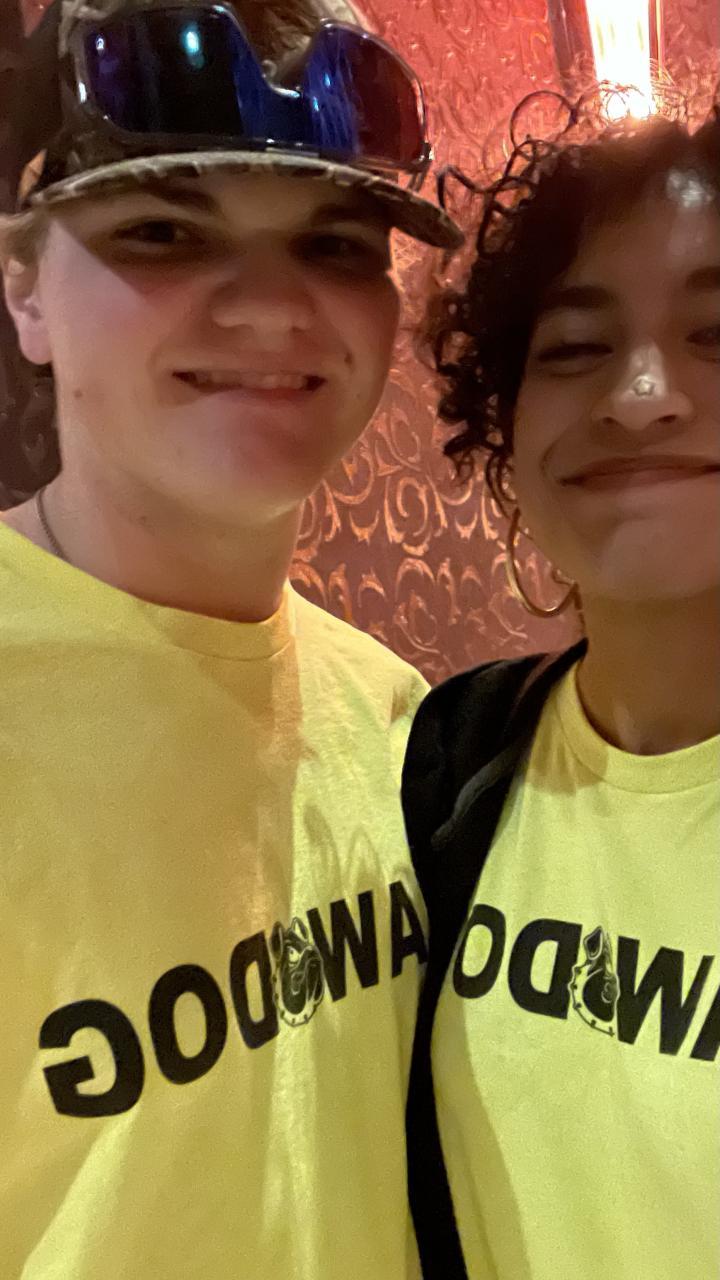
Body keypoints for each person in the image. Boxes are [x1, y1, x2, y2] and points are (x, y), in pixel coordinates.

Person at [0, 0, 462, 1275]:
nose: (270, 310)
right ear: (23, 286)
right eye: (163, 229)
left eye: (334, 241)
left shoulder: (400, 720)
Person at [402, 90, 720, 1280]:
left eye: (716, 333)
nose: (643, 395)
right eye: (576, 348)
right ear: (506, 430)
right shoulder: (449, 760)